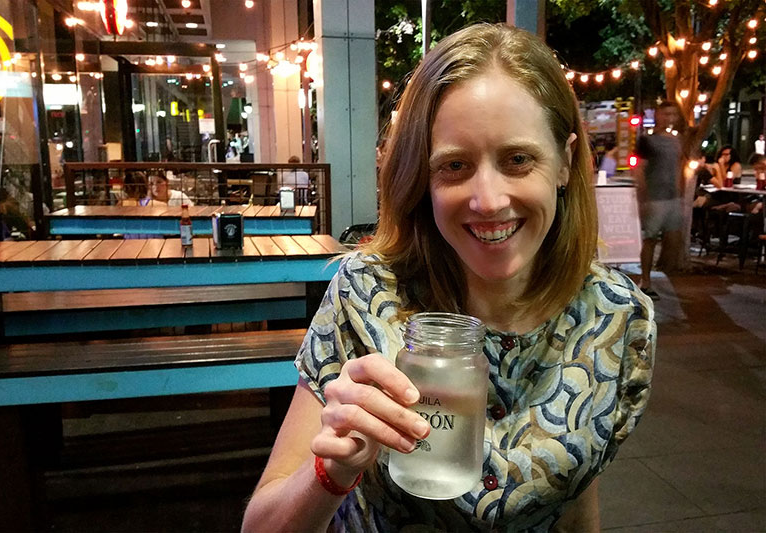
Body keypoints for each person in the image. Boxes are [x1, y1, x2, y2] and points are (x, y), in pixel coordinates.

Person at [242, 23, 655, 532]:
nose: (488, 200)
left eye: (518, 160)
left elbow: (574, 500)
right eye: (455, 166)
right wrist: (331, 471)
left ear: (565, 163)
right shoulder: (368, 295)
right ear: (423, 177)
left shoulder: (613, 316)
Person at [633, 100, 683, 300]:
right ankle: (645, 281)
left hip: (672, 198)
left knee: (673, 238)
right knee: (650, 239)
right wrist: (643, 197)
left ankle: (663, 274)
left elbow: (679, 166)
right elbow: (639, 169)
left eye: (673, 114)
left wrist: (680, 191)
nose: (669, 118)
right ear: (658, 116)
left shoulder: (677, 140)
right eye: (665, 114)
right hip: (655, 198)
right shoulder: (647, 140)